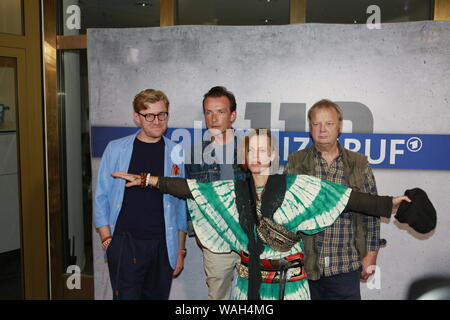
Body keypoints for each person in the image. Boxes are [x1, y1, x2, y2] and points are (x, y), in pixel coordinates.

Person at [111, 129, 411, 300]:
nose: (255, 155)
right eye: (250, 150)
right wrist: (149, 180)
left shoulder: (297, 186)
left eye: (262, 149)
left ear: (272, 155)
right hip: (246, 288)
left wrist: (389, 204)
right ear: (244, 157)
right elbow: (192, 189)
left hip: (290, 288)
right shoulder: (231, 191)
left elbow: (345, 198)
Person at [94, 89, 187, 300]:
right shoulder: (116, 149)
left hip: (164, 246)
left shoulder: (176, 152)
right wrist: (107, 239)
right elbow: (101, 197)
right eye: (149, 115)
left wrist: (180, 250)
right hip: (125, 244)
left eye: (162, 114)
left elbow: (180, 205)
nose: (157, 121)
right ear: (137, 117)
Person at [284, 99, 380, 300]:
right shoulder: (295, 163)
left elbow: (372, 213)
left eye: (329, 123)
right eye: (316, 124)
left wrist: (371, 254)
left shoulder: (358, 164)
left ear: (340, 126)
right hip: (305, 267)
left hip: (345, 265)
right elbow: (285, 214)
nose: (322, 129)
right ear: (310, 127)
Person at [185, 86, 248, 300]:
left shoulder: (249, 150)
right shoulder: (195, 153)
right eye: (208, 112)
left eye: (220, 112)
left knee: (251, 298)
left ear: (233, 115)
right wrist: (199, 233)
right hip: (215, 243)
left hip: (249, 240)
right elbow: (190, 197)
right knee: (218, 297)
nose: (213, 118)